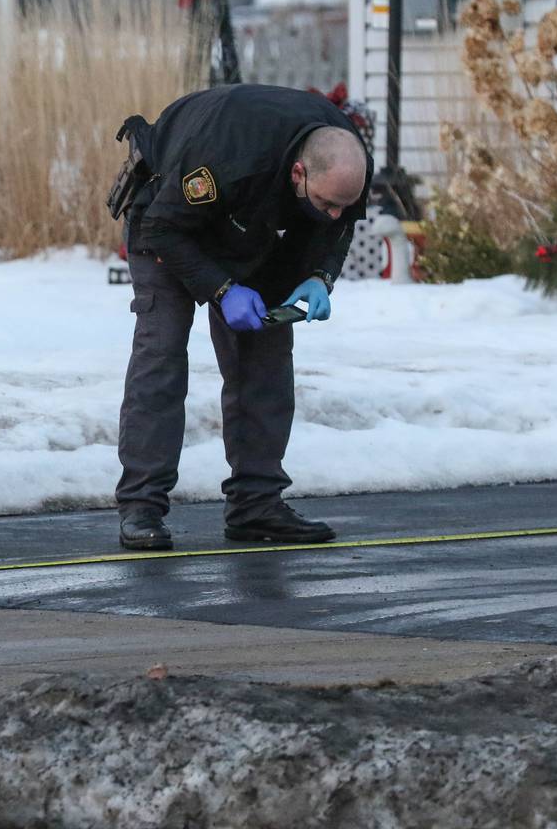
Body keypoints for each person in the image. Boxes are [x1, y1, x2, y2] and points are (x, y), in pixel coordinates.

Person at [113, 84, 371, 551]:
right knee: (162, 353)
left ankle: (257, 505)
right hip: (168, 222)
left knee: (267, 360)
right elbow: (164, 229)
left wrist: (320, 275)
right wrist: (223, 289)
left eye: (342, 205)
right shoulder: (225, 156)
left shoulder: (346, 159)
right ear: (298, 172)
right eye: (326, 203)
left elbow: (341, 224)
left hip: (251, 230)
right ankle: (141, 506)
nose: (334, 215)